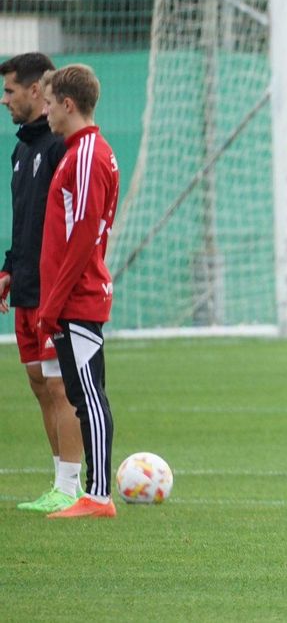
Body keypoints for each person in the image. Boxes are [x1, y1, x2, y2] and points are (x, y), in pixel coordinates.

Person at [38, 64, 121, 519]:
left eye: (50, 102)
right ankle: (96, 493)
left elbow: (85, 231)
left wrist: (52, 302)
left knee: (88, 394)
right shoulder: (80, 152)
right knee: (80, 391)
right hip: (73, 296)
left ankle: (100, 495)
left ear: (68, 104)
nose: (45, 110)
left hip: (79, 296)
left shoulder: (88, 153)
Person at [0, 52, 82, 513]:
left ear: (37, 91)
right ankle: (59, 480)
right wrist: (10, 267)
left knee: (57, 385)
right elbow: (25, 219)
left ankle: (71, 487)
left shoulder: (59, 149)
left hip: (54, 288)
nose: (4, 99)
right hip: (27, 284)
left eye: (10, 90)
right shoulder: (21, 149)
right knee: (37, 381)